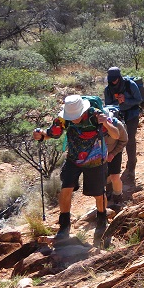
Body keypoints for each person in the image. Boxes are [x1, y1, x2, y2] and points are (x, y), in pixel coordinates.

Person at [33, 94, 120, 246]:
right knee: (66, 189)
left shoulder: (96, 114)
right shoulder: (63, 119)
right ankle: (64, 226)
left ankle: (101, 222)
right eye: (71, 117)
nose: (73, 119)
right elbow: (51, 134)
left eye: (76, 116)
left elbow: (116, 134)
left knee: (99, 194)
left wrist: (106, 123)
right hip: (73, 159)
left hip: (96, 160)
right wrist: (40, 136)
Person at [104, 67, 142, 186]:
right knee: (115, 141)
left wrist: (126, 100)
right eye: (111, 80)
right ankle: (113, 173)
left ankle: (131, 167)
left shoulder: (130, 84)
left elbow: (138, 100)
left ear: (119, 77)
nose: (113, 82)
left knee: (129, 140)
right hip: (117, 117)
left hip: (132, 115)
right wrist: (117, 103)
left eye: (115, 79)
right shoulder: (108, 89)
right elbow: (108, 106)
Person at [104, 106, 128, 209]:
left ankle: (118, 195)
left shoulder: (117, 124)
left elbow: (124, 140)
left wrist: (113, 153)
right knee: (105, 177)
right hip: (100, 155)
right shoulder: (93, 128)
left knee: (115, 176)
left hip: (115, 152)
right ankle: (108, 191)